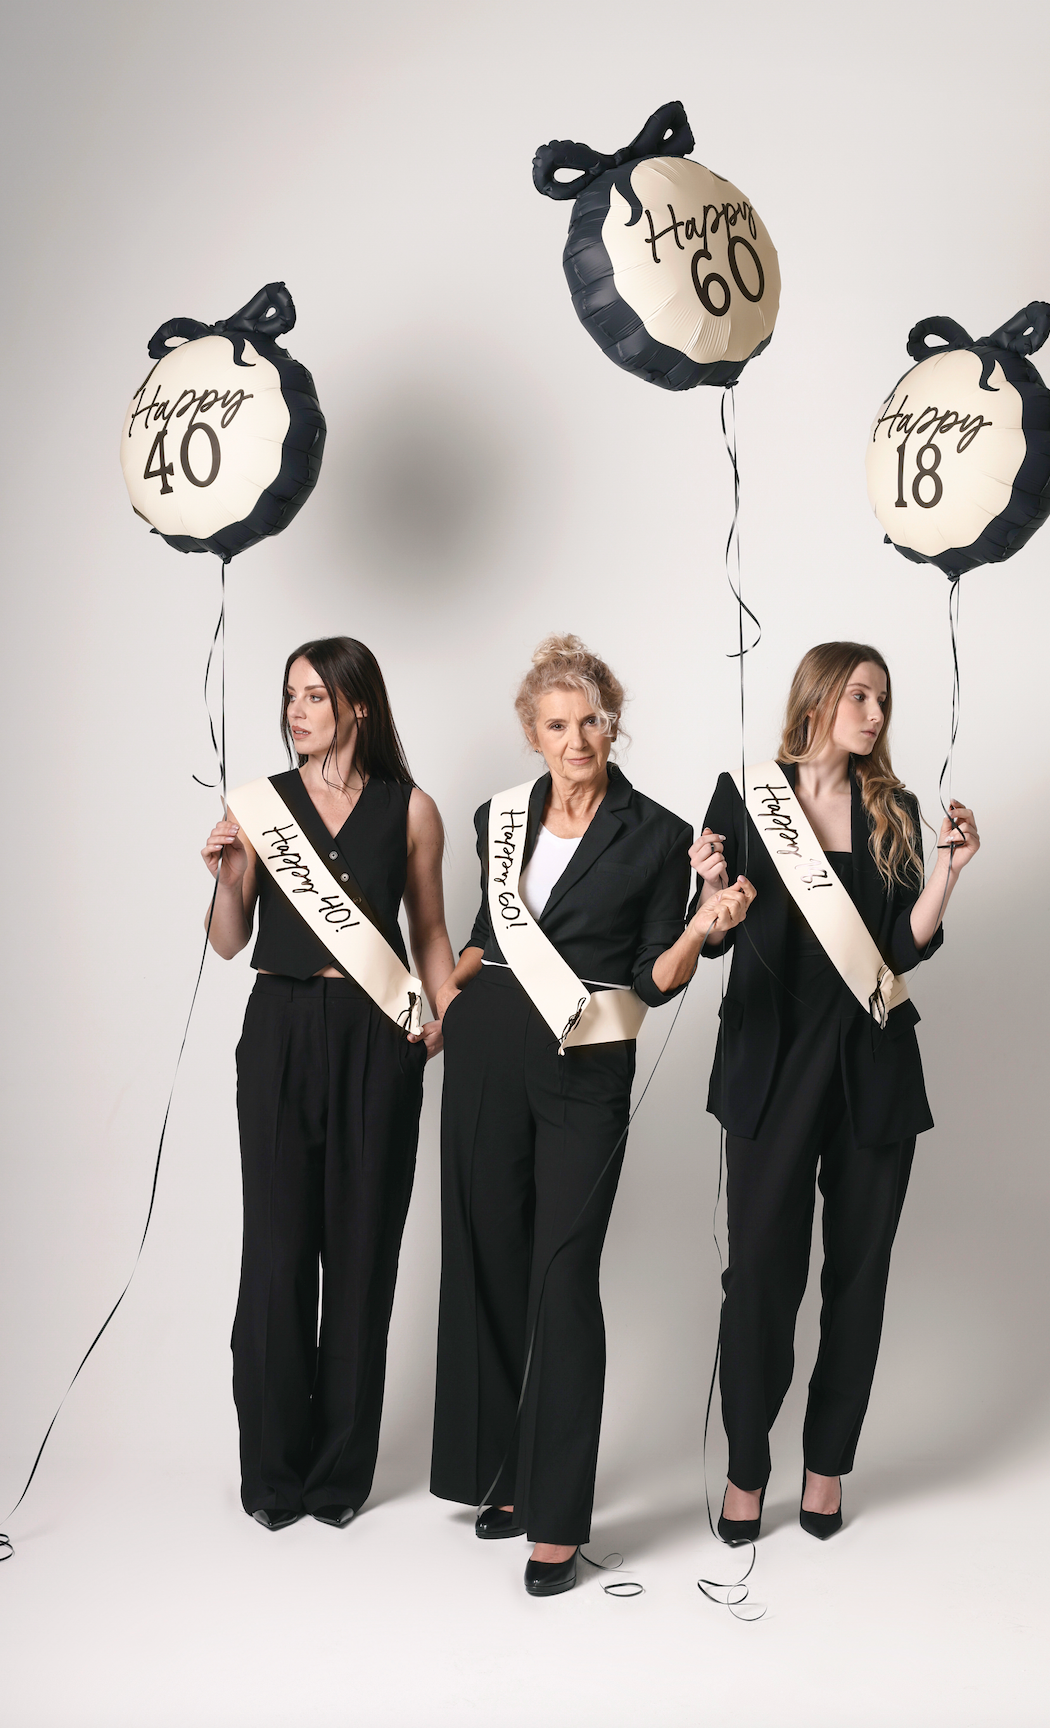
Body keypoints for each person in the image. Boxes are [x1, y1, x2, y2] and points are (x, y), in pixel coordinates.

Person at [430, 634, 754, 1596]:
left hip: (585, 1068)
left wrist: (701, 921)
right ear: (533, 732)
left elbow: (654, 981)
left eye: (593, 721)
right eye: (559, 725)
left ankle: (558, 1515)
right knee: (487, 1256)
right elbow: (487, 946)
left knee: (562, 1276)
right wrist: (436, 1012)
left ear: (614, 724)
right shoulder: (496, 818)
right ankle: (509, 1475)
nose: (579, 740)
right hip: (487, 1052)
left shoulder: (656, 835)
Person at [691, 642, 980, 1543]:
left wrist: (946, 877)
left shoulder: (892, 806)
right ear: (818, 697)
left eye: (884, 700)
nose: (877, 713)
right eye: (861, 695)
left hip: (873, 1073)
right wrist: (708, 896)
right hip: (771, 1074)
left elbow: (898, 947)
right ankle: (746, 1472)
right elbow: (703, 939)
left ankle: (826, 1467)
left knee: (859, 1279)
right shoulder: (745, 795)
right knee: (761, 1282)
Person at [201, 637, 454, 1531]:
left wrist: (441, 1021)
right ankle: (272, 1479)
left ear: (357, 706)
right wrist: (231, 878)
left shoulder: (411, 809)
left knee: (361, 1255)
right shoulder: (259, 807)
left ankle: (339, 1476)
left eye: (314, 695)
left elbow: (428, 933)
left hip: (375, 1036)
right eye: (289, 696)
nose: (296, 711)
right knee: (275, 1257)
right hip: (279, 1034)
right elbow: (230, 940)